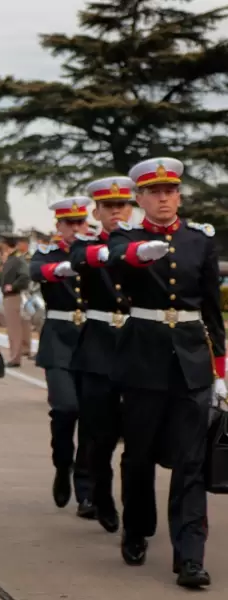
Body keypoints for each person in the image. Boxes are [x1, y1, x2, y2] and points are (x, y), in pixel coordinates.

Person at [106, 158, 223, 587]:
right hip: (143, 358)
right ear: (139, 198)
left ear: (179, 195)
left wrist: (221, 369)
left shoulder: (199, 241)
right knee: (139, 455)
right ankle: (136, 528)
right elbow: (114, 259)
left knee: (191, 461)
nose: (163, 198)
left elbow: (211, 307)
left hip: (191, 362)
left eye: (170, 191)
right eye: (154, 192)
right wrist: (138, 255)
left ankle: (189, 555)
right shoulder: (126, 236)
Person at [67, 176, 135, 535]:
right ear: (97, 211)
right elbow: (80, 258)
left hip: (138, 344)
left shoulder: (146, 243)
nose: (116, 212)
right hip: (97, 348)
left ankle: (133, 507)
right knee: (98, 433)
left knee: (138, 435)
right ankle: (100, 495)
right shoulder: (87, 243)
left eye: (122, 205)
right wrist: (114, 252)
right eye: (108, 207)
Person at [29, 198, 94, 518]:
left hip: (92, 340)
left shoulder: (94, 252)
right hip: (59, 341)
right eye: (69, 224)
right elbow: (36, 271)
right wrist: (60, 269)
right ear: (58, 226)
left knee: (92, 417)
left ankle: (85, 489)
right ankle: (62, 465)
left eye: (80, 223)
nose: (75, 229)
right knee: (66, 409)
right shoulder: (47, 253)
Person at [0, 233, 32, 365]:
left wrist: (13, 286)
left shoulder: (17, 259)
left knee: (14, 328)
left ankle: (15, 357)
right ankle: (21, 351)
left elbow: (25, 276)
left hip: (13, 296)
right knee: (18, 327)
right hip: (11, 296)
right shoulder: (12, 258)